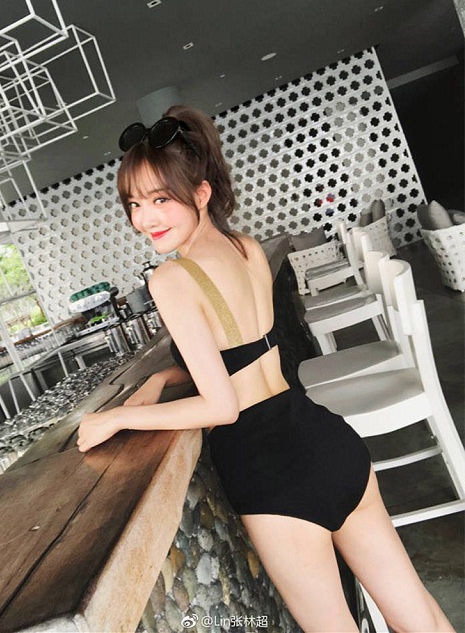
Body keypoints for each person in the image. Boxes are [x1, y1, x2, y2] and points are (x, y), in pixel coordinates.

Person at [77, 106, 454, 632]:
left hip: (274, 475)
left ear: (200, 193)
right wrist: (162, 377)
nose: (144, 219)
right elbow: (246, 350)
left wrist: (114, 418)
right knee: (419, 615)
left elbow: (222, 406)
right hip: (326, 440)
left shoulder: (171, 279)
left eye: (160, 199)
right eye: (134, 204)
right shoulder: (248, 248)